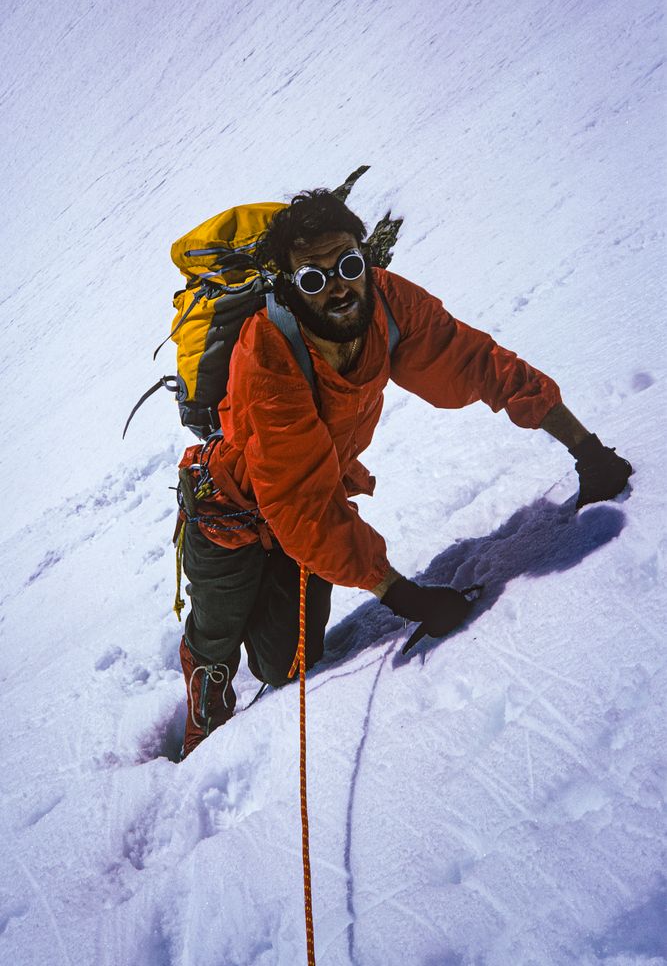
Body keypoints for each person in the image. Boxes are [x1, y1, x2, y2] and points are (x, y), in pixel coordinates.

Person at [177, 189, 632, 757]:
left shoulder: (389, 307)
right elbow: (299, 502)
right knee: (218, 642)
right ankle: (202, 719)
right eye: (314, 279)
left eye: (347, 264)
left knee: (286, 663)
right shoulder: (268, 355)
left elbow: (477, 363)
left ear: (365, 258)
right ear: (291, 287)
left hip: (303, 516)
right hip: (229, 513)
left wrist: (585, 447)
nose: (339, 288)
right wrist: (407, 598)